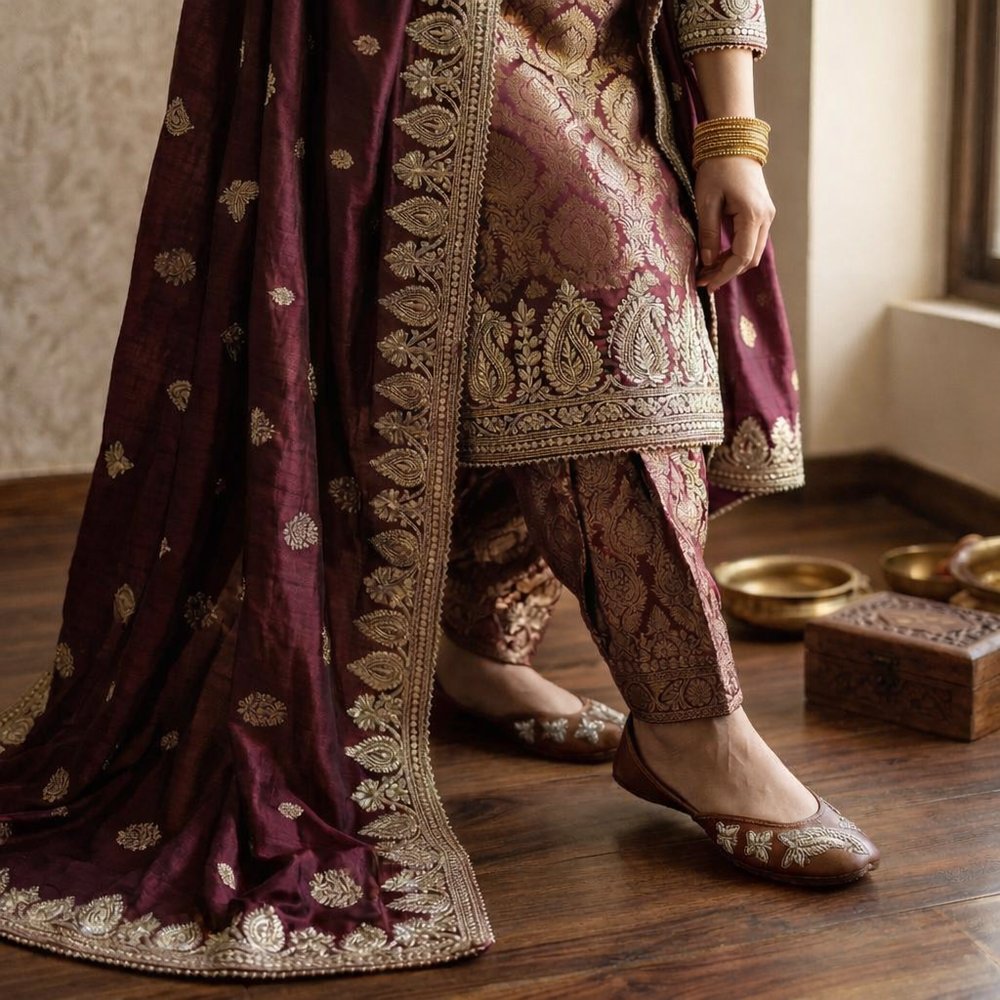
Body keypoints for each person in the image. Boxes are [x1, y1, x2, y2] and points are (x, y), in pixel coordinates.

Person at [0, 0, 878, 981]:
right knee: (582, 309)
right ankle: (692, 722)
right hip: (395, 26)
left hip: (614, 28)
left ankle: (478, 634)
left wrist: (732, 132)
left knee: (620, 306)